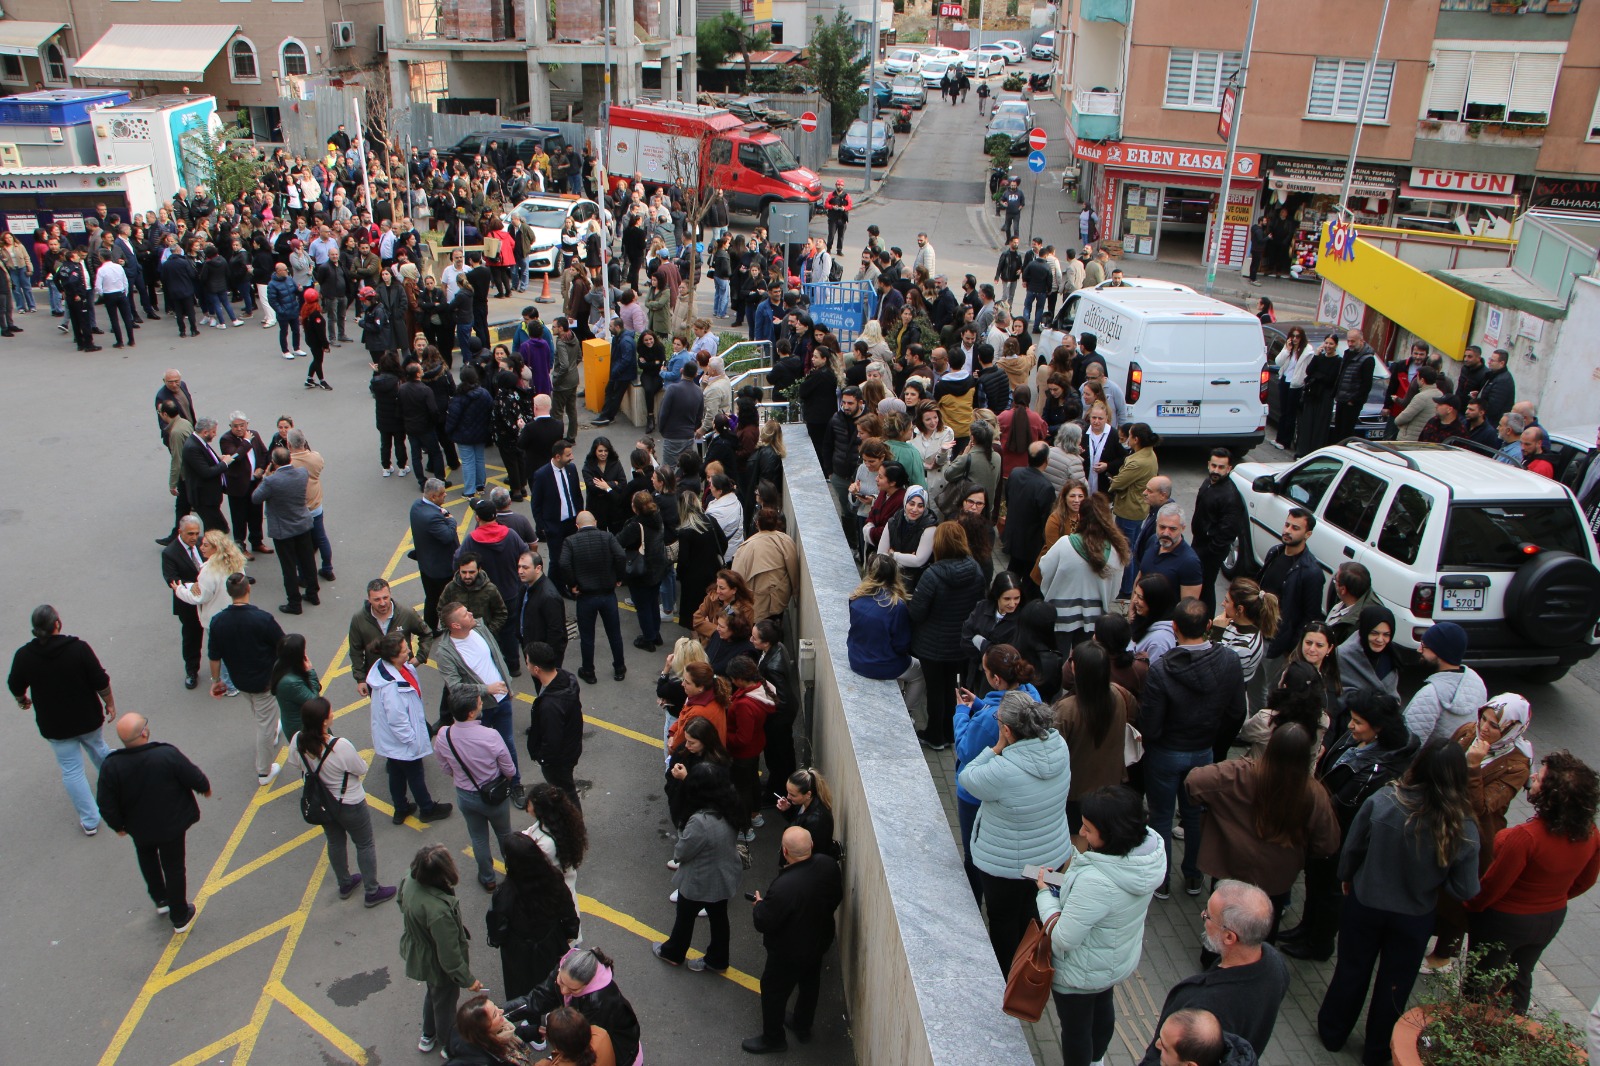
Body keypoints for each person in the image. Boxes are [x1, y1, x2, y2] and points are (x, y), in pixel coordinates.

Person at [1316, 740, 1481, 1064]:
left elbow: (1352, 850)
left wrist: (1347, 877)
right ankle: (1378, 1050)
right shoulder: (1461, 825)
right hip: (1414, 916)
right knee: (1396, 984)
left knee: (1351, 970)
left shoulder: (1385, 800)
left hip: (1366, 903)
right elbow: (1465, 889)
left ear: (1418, 766)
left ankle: (1333, 1033)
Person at [1280, 689, 1417, 962]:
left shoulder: (1379, 768)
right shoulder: (1357, 741)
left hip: (1339, 834)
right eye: (1352, 719)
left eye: (1358, 722)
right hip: (1322, 824)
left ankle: (1319, 943)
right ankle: (1306, 928)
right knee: (1314, 881)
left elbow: (1345, 806)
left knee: (1328, 890)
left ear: (1378, 729)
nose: (1351, 725)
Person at [1036, 785, 1166, 1066]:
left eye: (1088, 829)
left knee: (1076, 1031)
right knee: (1103, 1011)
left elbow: (1063, 938)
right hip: (1112, 961)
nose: (1081, 834)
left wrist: (1045, 892)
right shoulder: (1148, 855)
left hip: (1078, 971)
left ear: (1112, 834)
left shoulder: (1096, 880)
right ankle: (1097, 1060)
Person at [1464, 749, 1600, 1014]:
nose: (1534, 777)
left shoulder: (1525, 837)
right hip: (1550, 917)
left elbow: (1493, 886)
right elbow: (1585, 881)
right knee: (1519, 978)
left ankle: (1472, 1037)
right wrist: (1553, 896)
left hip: (1504, 920)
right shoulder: (1591, 833)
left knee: (1480, 984)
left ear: (1552, 797)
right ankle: (1514, 1032)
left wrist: (1471, 905)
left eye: (1540, 779)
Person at [1185, 725, 1340, 943]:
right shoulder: (1314, 794)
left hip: (1231, 867)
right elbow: (1327, 843)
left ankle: (1216, 961)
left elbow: (1194, 782)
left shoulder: (1239, 773)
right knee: (1263, 931)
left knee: (1221, 920)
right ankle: (1255, 967)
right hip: (1275, 878)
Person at [1138, 598, 1248, 900]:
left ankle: (1161, 881)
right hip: (1203, 751)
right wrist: (1215, 739)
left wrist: (1155, 741)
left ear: (1174, 628)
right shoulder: (1228, 661)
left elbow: (1151, 722)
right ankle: (1194, 875)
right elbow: (1237, 710)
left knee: (1161, 815)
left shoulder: (1161, 670)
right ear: (1209, 626)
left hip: (1165, 752)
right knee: (1195, 815)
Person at [959, 692, 1073, 970]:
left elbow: (966, 777)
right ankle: (1031, 961)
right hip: (1050, 858)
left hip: (1007, 867)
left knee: (1002, 919)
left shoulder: (1002, 769)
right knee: (1034, 912)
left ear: (1007, 730)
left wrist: (995, 747)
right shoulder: (1060, 748)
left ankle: (1007, 974)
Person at [1422, 693, 1534, 973]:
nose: (1484, 727)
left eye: (1495, 725)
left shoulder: (1516, 765)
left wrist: (1472, 766)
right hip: (1439, 819)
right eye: (1484, 718)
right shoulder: (1468, 731)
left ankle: (1443, 955)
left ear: (1512, 728)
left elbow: (1483, 806)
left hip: (1475, 835)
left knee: (1456, 898)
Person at [1135, 881, 1290, 1066]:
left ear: (1229, 937)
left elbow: (1158, 1056)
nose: (1202, 915)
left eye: (1208, 916)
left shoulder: (1199, 1006)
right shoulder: (1275, 965)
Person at [95, 712, 209, 933]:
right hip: (171, 825)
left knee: (147, 858)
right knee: (174, 867)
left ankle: (161, 899)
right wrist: (204, 787)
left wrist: (118, 826)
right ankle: (180, 915)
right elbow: (193, 776)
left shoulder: (112, 766)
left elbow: (106, 803)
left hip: (139, 828)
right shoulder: (165, 754)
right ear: (144, 732)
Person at [952, 646, 1043, 903]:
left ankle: (973, 903)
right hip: (1014, 793)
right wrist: (980, 704)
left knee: (973, 855)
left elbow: (966, 749)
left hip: (977, 796)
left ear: (996, 679)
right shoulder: (1031, 696)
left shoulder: (992, 718)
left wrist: (961, 713)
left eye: (986, 670)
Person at [743, 825, 845, 1054]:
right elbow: (835, 897)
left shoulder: (784, 887)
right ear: (811, 846)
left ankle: (773, 1038)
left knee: (773, 990)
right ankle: (802, 1023)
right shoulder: (828, 865)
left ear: (785, 851)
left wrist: (759, 906)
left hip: (789, 952)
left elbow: (764, 922)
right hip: (819, 941)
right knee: (810, 983)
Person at [287, 697, 397, 907]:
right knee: (364, 843)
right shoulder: (340, 745)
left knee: (335, 840)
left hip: (322, 803)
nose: (333, 713)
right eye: (330, 712)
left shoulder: (297, 741)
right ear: (324, 722)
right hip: (350, 802)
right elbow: (361, 768)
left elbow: (295, 764)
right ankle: (372, 891)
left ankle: (344, 883)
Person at [653, 762, 744, 973]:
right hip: (725, 873)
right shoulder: (731, 804)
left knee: (684, 917)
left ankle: (673, 953)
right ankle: (718, 959)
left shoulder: (700, 821)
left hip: (700, 879)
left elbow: (683, 851)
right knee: (719, 918)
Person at [908, 522, 988, 750]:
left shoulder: (932, 575)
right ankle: (952, 732)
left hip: (932, 646)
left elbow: (917, 612)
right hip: (960, 645)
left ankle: (934, 735)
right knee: (953, 687)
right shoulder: (976, 571)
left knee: (935, 690)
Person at [400, 844, 484, 1055]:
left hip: (421, 954)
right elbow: (449, 956)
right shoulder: (438, 911)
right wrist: (468, 980)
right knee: (446, 1004)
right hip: (437, 964)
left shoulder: (410, 880)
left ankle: (428, 1035)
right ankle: (449, 1044)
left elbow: (400, 901)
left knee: (433, 994)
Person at [205, 575, 287, 787]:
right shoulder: (262, 619)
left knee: (260, 713)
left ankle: (272, 732)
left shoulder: (218, 622)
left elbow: (214, 656)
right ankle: (264, 771)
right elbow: (283, 645)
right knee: (264, 726)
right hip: (264, 681)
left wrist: (215, 680)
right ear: (248, 588)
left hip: (239, 679)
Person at [434, 687, 518, 893]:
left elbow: (445, 767)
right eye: (479, 702)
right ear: (471, 713)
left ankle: (488, 878)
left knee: (478, 838)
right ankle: (514, 873)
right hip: (494, 795)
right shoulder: (490, 735)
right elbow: (510, 769)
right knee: (505, 835)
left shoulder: (444, 736)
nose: (481, 703)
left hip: (466, 796)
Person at [368, 630, 453, 825]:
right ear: (393, 656)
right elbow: (398, 720)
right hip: (402, 739)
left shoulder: (391, 668)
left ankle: (401, 808)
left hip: (392, 739)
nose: (409, 653)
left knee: (397, 773)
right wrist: (412, 742)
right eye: (405, 651)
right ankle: (427, 808)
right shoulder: (391, 688)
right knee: (415, 774)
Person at [1053, 640, 1139, 831]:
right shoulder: (1118, 696)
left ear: (1075, 668)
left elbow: (1052, 752)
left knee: (1078, 838)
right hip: (1111, 783)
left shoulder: (1066, 709)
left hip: (1075, 791)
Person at [1038, 494, 1130, 655]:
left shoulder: (1065, 544)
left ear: (1080, 516)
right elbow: (1115, 589)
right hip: (1094, 619)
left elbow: (1044, 568)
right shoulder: (1116, 551)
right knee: (1085, 661)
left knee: (1058, 658)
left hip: (1061, 616)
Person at [1252, 508, 1323, 712]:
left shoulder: (1311, 572)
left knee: (1272, 689)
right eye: (1287, 525)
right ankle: (1255, 724)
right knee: (1254, 685)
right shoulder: (1275, 552)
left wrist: (1291, 648)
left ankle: (1268, 728)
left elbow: (1310, 616)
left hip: (1277, 641)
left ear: (1307, 534)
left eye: (1295, 528)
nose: (1288, 530)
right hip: (1257, 630)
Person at [523, 948, 643, 1066]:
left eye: (573, 989)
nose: (563, 991)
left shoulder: (599, 1007)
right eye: (561, 980)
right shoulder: (600, 1034)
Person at [560, 511, 628, 684]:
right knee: (614, 633)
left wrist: (572, 584)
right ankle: (619, 667)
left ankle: (589, 671)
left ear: (577, 525)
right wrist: (618, 577)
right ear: (595, 522)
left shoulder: (570, 541)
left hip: (586, 596)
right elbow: (620, 555)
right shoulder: (607, 537)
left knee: (587, 636)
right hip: (607, 594)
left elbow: (563, 563)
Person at [253, 447, 321, 614]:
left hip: (283, 530)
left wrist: (267, 477)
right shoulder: (302, 473)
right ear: (290, 459)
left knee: (289, 567)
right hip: (302, 525)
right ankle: (313, 594)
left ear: (274, 463)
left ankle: (294, 603)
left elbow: (256, 498)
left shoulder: (271, 481)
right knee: (308, 561)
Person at [1403, 621, 1487, 744]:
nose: (1419, 649)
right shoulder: (1477, 684)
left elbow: (1407, 746)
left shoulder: (1429, 695)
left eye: (1424, 646)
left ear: (1440, 652)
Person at [525, 641, 584, 809]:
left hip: (559, 760)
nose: (526, 664)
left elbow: (552, 740)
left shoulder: (550, 705)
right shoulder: (567, 677)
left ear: (537, 669)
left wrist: (543, 758)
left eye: (528, 661)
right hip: (571, 747)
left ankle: (574, 828)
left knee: (566, 792)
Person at [1191, 450, 1245, 615]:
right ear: (1208, 464)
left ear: (1228, 469)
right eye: (1213, 465)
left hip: (1210, 550)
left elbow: (1228, 532)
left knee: (1205, 586)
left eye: (1221, 467)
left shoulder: (1230, 496)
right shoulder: (1209, 482)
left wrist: (1210, 552)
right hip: (1199, 542)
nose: (1216, 470)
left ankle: (1206, 622)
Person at [1003, 442, 1058, 593]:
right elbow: (1046, 519)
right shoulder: (1045, 487)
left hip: (1013, 536)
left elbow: (1008, 500)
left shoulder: (1015, 473)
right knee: (1028, 583)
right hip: (1031, 544)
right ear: (1046, 460)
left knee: (1012, 573)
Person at [161, 516, 207, 689]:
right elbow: (172, 579)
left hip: (209, 600)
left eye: (196, 533)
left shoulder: (203, 543)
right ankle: (191, 670)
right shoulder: (170, 553)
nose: (194, 537)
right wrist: (194, 586)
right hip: (188, 605)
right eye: (190, 534)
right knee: (192, 637)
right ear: (180, 532)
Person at [411, 479, 462, 634]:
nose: (445, 495)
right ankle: (453, 631)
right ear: (433, 497)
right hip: (441, 569)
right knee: (449, 602)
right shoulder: (432, 517)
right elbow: (447, 536)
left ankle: (430, 629)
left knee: (431, 599)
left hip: (426, 564)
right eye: (442, 494)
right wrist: (451, 521)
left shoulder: (416, 507)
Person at [1334, 604, 1399, 704]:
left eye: (1386, 634)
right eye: (1374, 633)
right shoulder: (1343, 655)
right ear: (1365, 631)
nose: (1380, 640)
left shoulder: (1390, 654)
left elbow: (1392, 693)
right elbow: (1338, 694)